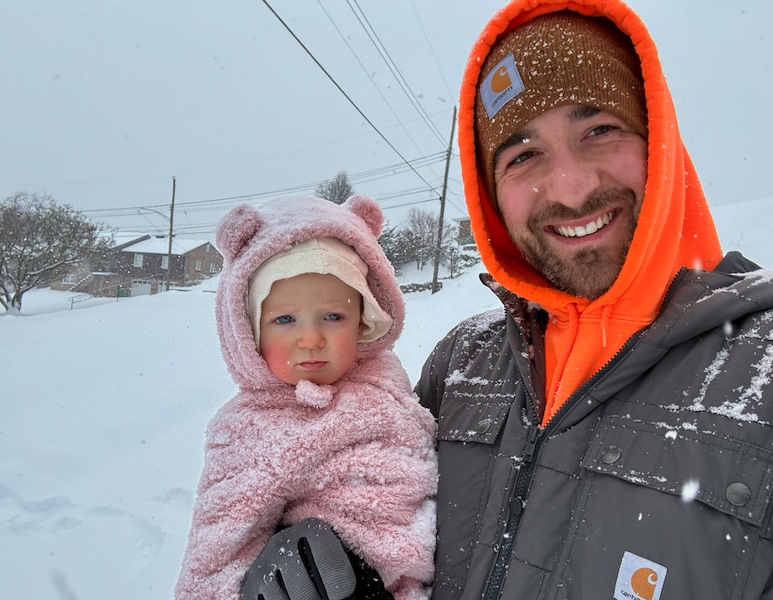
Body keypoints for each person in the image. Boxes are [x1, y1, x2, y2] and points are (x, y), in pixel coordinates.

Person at [240, 0, 773, 599]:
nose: (571, 185)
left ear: (658, 140)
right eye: (523, 155)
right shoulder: (461, 367)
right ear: (490, 195)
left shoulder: (764, 374)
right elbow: (381, 523)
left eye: (598, 128)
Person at [174, 195, 437, 600]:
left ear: (364, 320)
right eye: (284, 319)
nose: (311, 338)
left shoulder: (387, 381)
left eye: (333, 316)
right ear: (250, 332)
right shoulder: (252, 428)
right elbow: (215, 557)